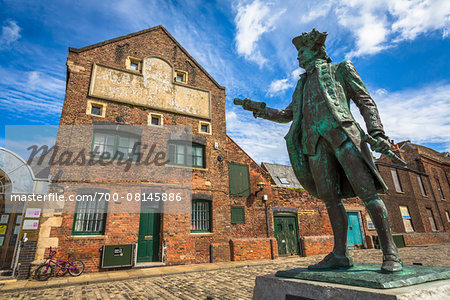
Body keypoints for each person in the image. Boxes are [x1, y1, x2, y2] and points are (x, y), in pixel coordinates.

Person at [243, 29, 402, 272]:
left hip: (344, 137)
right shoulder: (301, 85)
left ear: (316, 50)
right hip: (315, 145)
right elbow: (288, 115)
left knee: (368, 194)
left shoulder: (341, 69)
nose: (298, 59)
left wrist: (377, 132)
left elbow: (365, 100)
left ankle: (390, 252)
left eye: (301, 52)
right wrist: (259, 109)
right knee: (330, 200)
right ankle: (340, 253)